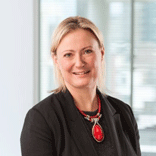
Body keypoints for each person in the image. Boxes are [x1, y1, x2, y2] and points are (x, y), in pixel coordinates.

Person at [20, 16, 141, 156]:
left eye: (87, 51)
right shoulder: (41, 119)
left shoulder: (124, 112)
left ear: (101, 53)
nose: (79, 63)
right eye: (68, 55)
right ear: (56, 61)